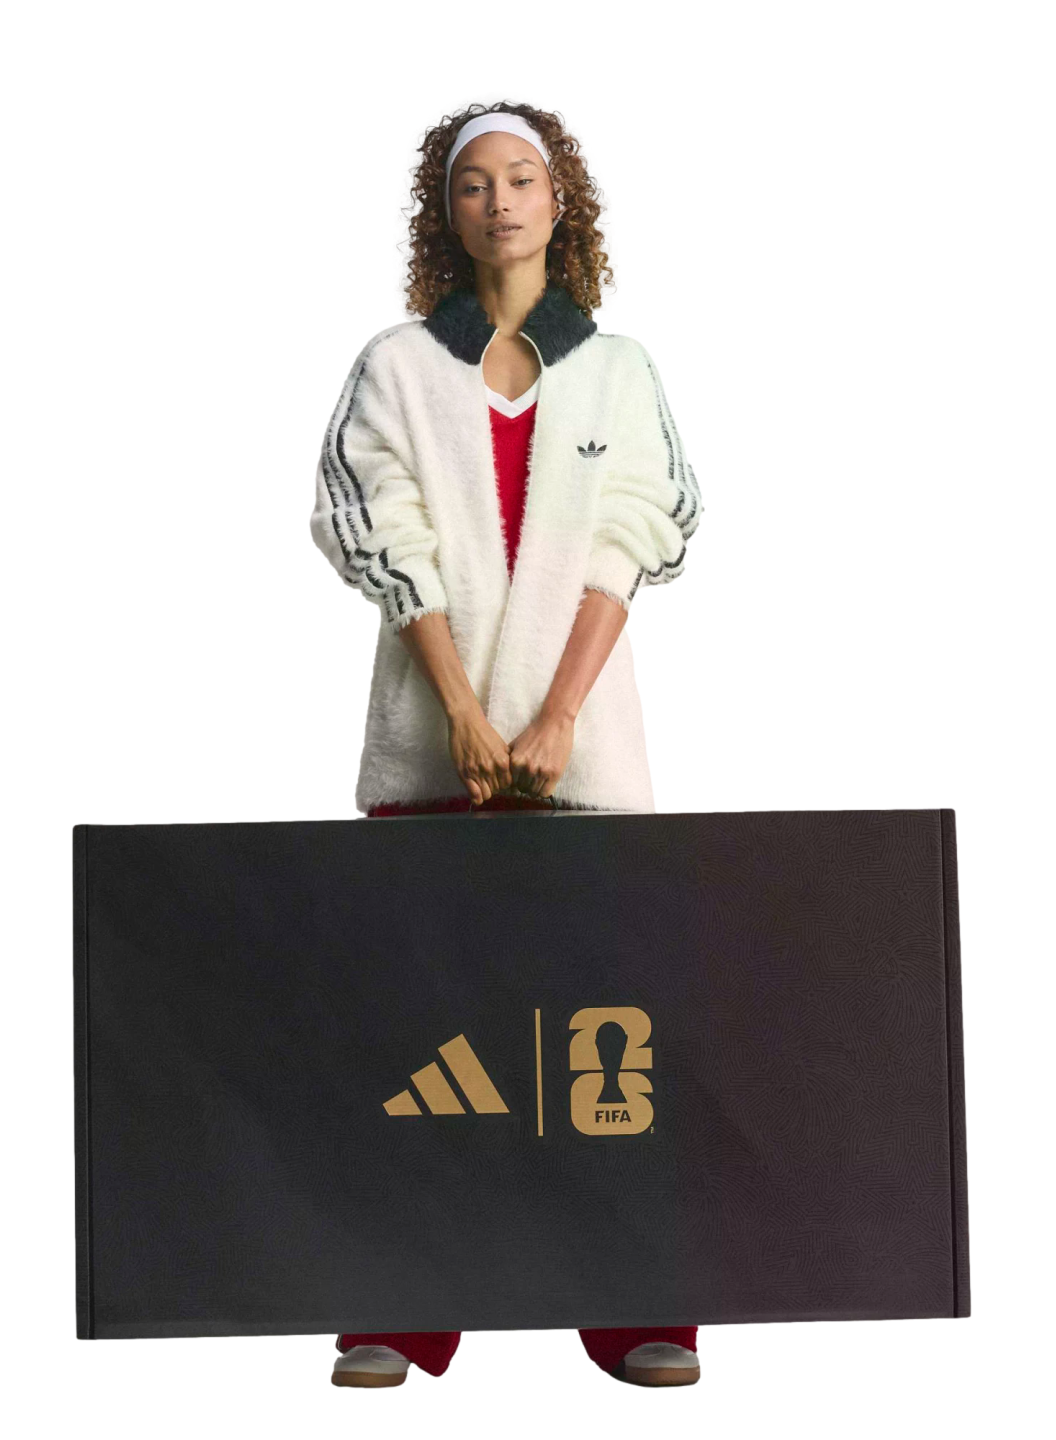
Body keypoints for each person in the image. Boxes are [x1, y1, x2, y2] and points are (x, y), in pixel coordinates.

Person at [313, 94, 704, 1388]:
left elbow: (638, 534)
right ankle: (395, 1316)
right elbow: (375, 528)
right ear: (446, 207)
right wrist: (466, 717)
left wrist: (555, 717)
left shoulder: (620, 369)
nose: (499, 202)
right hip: (431, 755)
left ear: (560, 199)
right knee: (417, 1046)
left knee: (609, 1053)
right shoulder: (393, 365)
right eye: (474, 182)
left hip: (585, 763)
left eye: (521, 180)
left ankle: (639, 1316)